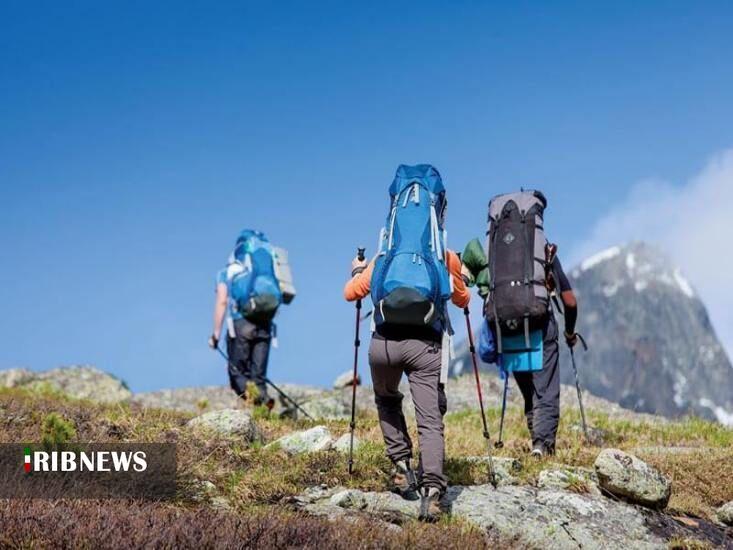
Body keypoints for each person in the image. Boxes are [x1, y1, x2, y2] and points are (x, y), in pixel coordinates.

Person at [343, 165, 469, 522]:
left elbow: (350, 292)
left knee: (386, 398)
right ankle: (432, 492)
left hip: (383, 344)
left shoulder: (385, 254)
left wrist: (357, 271)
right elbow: (462, 299)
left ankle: (401, 467)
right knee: (430, 419)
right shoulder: (442, 253)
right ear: (437, 208)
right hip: (425, 346)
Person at [514, 250, 578, 457]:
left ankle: (537, 441)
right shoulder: (544, 249)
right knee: (545, 389)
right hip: (541, 324)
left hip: (509, 325)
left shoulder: (500, 246)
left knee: (529, 389)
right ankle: (542, 446)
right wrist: (569, 332)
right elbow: (570, 301)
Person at [209, 230, 282, 409]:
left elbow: (222, 301)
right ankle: (263, 403)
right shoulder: (267, 268)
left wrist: (216, 335)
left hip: (241, 324)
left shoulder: (228, 271)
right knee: (258, 376)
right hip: (265, 324)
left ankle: (256, 404)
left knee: (238, 374)